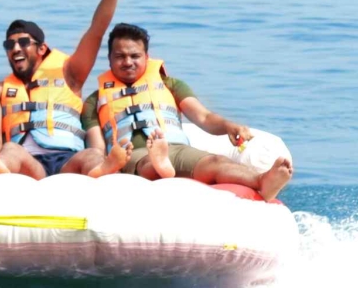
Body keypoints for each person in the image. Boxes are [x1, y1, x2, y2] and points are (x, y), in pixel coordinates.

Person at [81, 22, 293, 200]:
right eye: (120, 56)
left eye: (135, 56)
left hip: (177, 149)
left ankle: (262, 181)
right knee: (148, 165)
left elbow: (204, 117)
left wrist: (229, 126)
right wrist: (110, 163)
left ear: (147, 56)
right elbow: (97, 147)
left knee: (215, 162)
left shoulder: (170, 85)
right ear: (109, 58)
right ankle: (161, 166)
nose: (128, 62)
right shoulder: (95, 100)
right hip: (133, 155)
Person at [0, 0, 132, 179]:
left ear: (42, 49)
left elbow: (97, 30)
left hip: (68, 158)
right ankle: (0, 168)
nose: (15, 48)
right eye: (9, 44)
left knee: (92, 155)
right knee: (9, 150)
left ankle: (101, 168)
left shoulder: (70, 73)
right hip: (29, 161)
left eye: (23, 42)